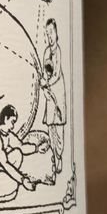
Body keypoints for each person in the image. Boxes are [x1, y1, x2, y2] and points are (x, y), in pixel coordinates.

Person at [40, 17, 67, 177]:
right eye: (47, 33)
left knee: (58, 126)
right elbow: (45, 72)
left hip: (57, 91)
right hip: (49, 94)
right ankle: (55, 156)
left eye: (51, 32)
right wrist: (43, 83)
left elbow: (56, 74)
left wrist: (47, 82)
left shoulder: (58, 51)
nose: (49, 36)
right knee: (50, 125)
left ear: (56, 33)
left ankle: (59, 156)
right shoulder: (46, 52)